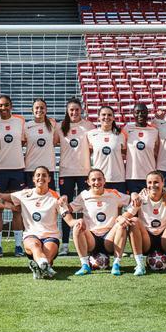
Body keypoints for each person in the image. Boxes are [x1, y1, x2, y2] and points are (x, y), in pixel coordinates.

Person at [66, 168, 130, 276]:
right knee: (78, 225)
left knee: (121, 225)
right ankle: (85, 265)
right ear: (88, 182)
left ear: (104, 180)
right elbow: (69, 209)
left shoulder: (114, 194)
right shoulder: (83, 195)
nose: (97, 182)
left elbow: (133, 202)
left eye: (99, 179)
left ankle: (116, 264)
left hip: (109, 238)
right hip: (91, 239)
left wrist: (123, 216)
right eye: (93, 180)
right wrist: (62, 203)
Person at [4, 166, 65, 279]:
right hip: (31, 236)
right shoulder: (25, 194)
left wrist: (76, 222)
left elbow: (68, 217)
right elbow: (4, 196)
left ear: (49, 179)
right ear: (33, 179)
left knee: (48, 253)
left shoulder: (56, 197)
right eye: (38, 175)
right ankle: (45, 267)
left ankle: (39, 267)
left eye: (44, 175)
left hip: (50, 236)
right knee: (35, 246)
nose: (40, 177)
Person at [0, 95, 27, 257]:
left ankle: (18, 245)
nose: (3, 108)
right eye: (0, 106)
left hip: (18, 169)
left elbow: (24, 141)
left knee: (17, 209)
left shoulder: (20, 121)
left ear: (11, 106)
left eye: (6, 105)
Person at [57, 98, 94, 253]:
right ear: (67, 111)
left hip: (85, 172)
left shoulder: (89, 126)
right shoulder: (60, 127)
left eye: (77, 109)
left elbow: (93, 147)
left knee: (88, 207)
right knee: (66, 207)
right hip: (66, 172)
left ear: (81, 110)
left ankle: (89, 242)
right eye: (71, 110)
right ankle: (65, 244)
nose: (74, 112)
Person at [87, 106, 127, 193]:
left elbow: (124, 154)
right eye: (103, 115)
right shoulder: (91, 134)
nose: (106, 117)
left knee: (118, 206)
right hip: (99, 179)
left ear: (113, 117)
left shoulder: (120, 135)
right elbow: (88, 154)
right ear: (99, 117)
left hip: (117, 178)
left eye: (109, 115)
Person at [123, 103, 159, 194]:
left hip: (150, 176)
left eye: (143, 112)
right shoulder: (127, 129)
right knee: (135, 205)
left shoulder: (154, 131)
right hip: (132, 176)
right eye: (137, 112)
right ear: (133, 114)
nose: (140, 115)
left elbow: (157, 152)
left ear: (147, 113)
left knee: (149, 205)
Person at [24, 98, 60, 177]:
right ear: (32, 110)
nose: (39, 110)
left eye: (42, 108)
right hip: (31, 168)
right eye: (36, 108)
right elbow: (21, 143)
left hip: (48, 168)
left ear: (46, 110)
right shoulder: (26, 126)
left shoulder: (53, 124)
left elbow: (54, 142)